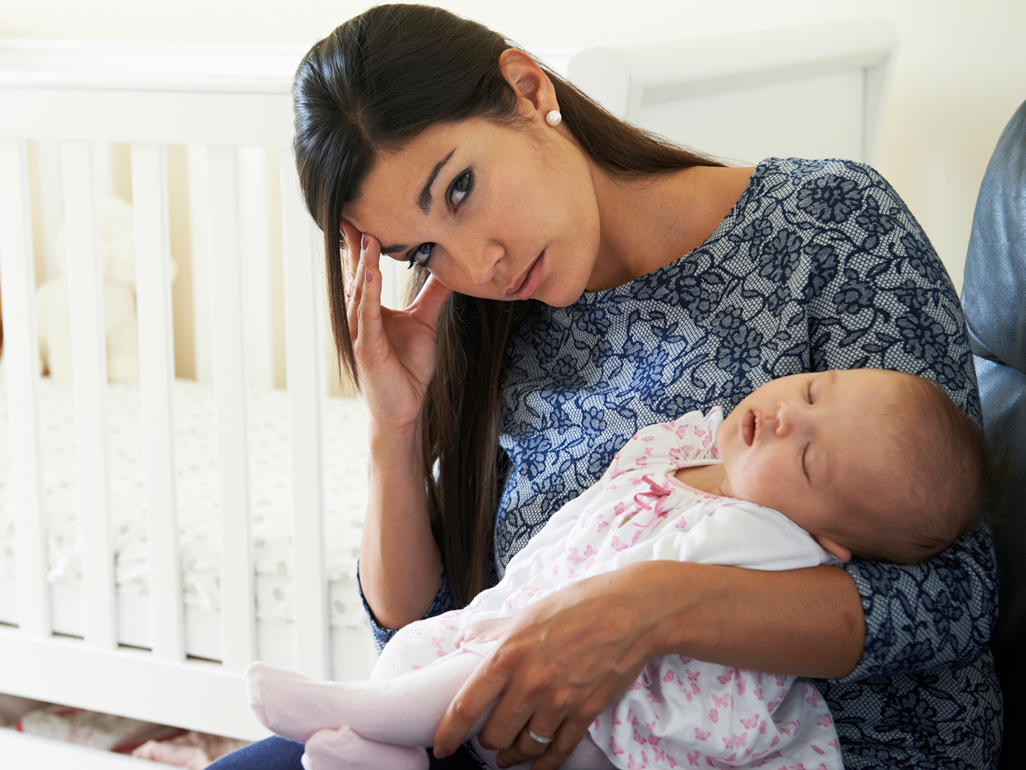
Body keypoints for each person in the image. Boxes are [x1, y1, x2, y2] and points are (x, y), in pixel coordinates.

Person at [208, 5, 1001, 769]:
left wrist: (650, 609)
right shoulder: (486, 326)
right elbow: (423, 642)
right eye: (422, 250)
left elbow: (954, 595)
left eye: (458, 189)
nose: (475, 263)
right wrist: (395, 428)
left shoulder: (826, 223)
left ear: (528, 90)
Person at [243, 368, 990, 770]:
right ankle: (387, 743)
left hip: (622, 716)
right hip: (523, 619)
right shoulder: (691, 445)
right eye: (813, 389)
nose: (791, 416)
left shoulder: (773, 537)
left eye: (809, 457)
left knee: (466, 669)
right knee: (413, 649)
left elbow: (964, 594)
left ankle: (372, 717)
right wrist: (395, 433)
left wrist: (588, 609)